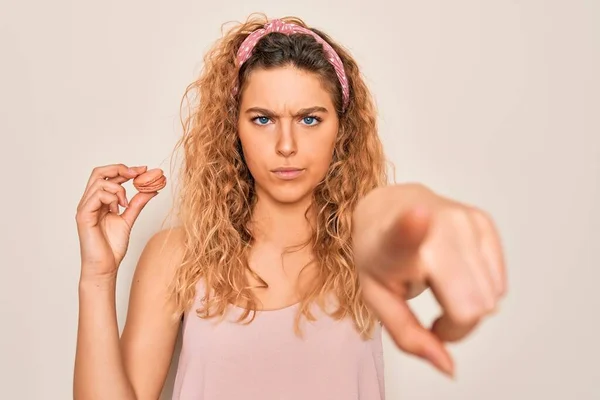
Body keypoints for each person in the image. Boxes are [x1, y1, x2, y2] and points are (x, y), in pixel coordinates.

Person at [73, 14, 507, 400]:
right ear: (234, 130)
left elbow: (401, 230)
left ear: (342, 129)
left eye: (310, 119)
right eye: (262, 119)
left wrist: (426, 218)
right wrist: (98, 275)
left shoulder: (364, 248)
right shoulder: (177, 257)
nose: (286, 146)